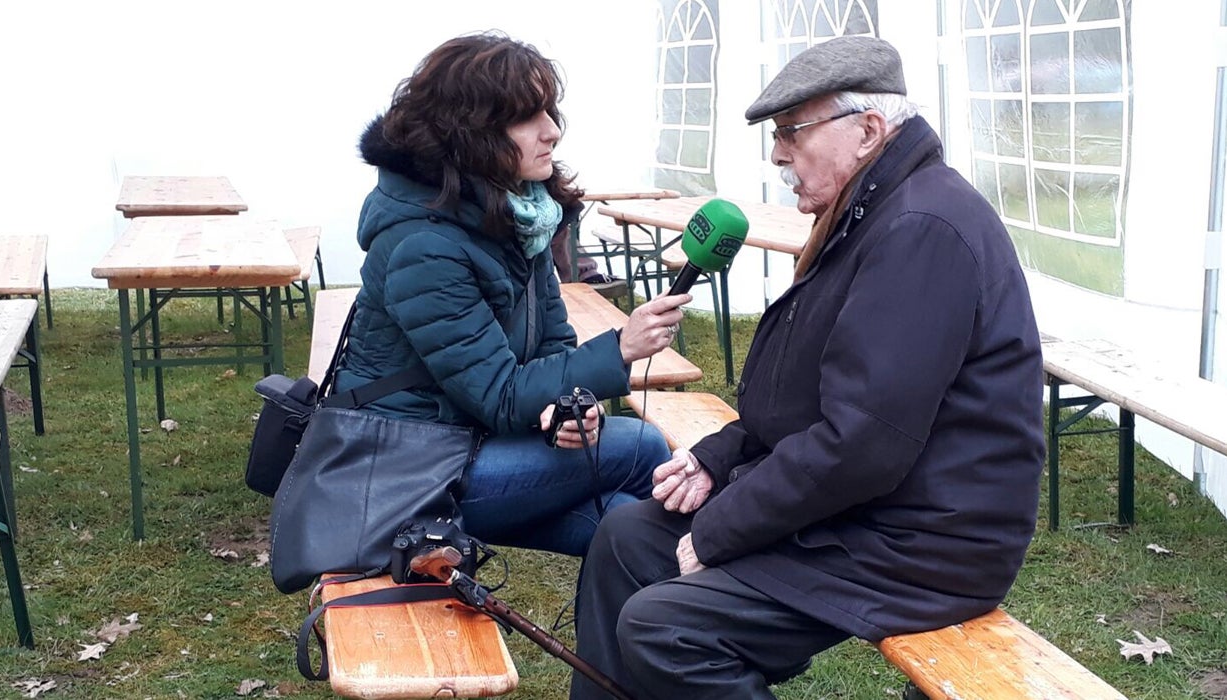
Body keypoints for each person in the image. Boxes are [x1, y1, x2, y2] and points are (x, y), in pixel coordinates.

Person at [571, 35, 1046, 699]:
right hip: (869, 509)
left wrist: (721, 527)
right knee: (628, 536)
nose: (778, 153)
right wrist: (718, 456)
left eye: (793, 130)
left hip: (923, 544)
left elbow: (863, 443)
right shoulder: (874, 206)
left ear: (869, 130)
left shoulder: (920, 227)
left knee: (668, 629)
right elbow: (810, 399)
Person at [336, 32, 690, 558]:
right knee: (640, 447)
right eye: (528, 117)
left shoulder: (519, 218)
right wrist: (619, 350)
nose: (552, 131)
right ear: (470, 132)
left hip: (466, 442)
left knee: (625, 522)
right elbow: (501, 395)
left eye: (550, 110)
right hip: (400, 473)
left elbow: (551, 347)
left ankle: (649, 635)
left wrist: (570, 410)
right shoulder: (423, 245)